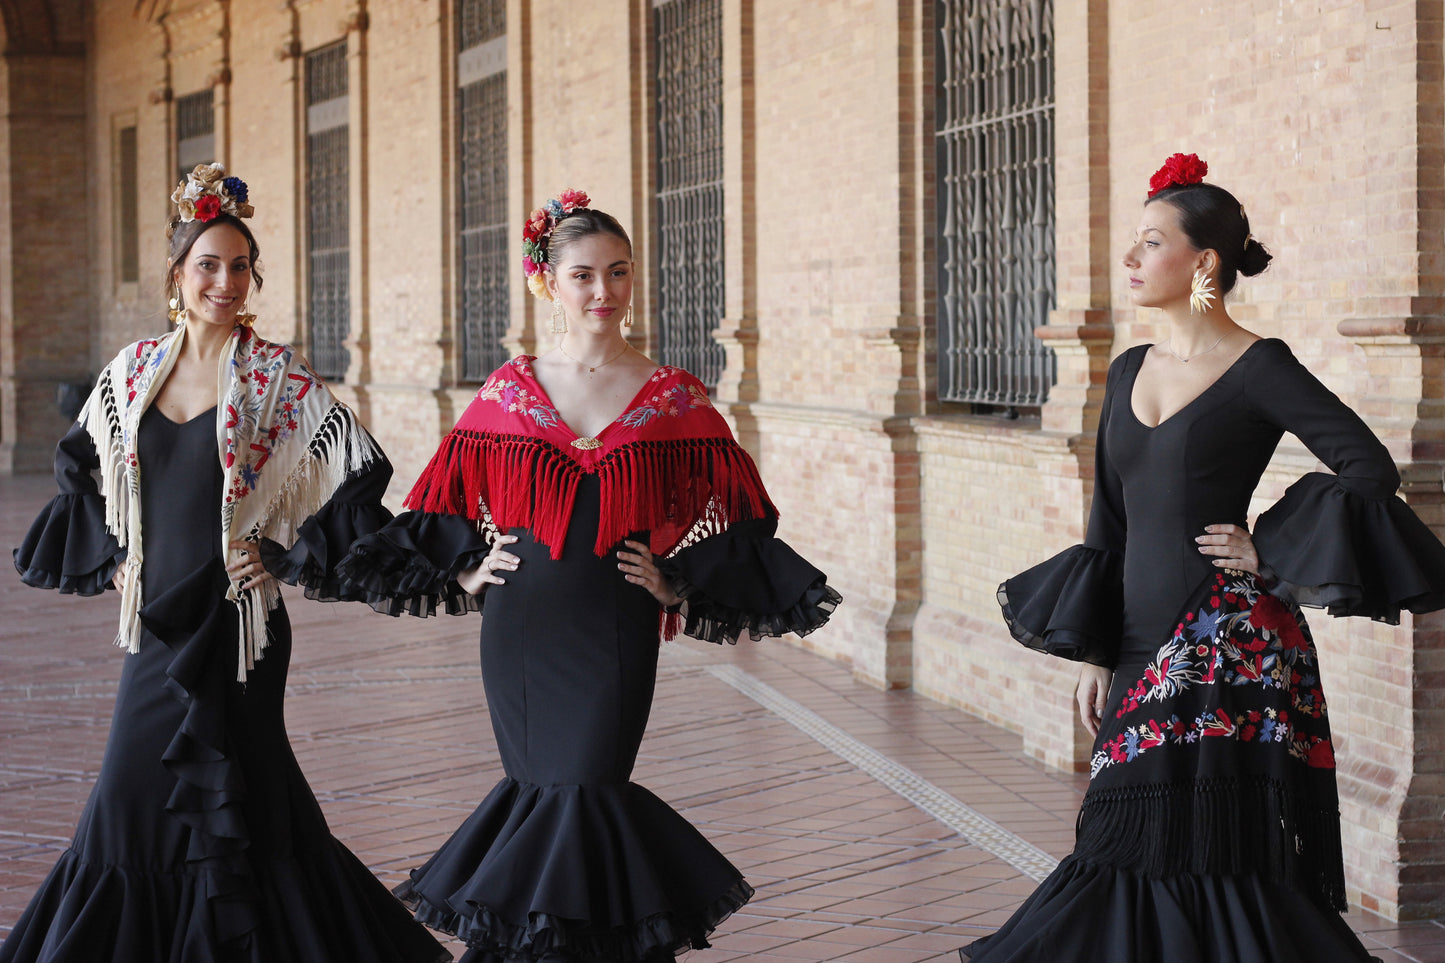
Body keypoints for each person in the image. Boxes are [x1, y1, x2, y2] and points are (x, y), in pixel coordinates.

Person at [337, 190, 841, 963]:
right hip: (522, 623)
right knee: (543, 793)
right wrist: (468, 569)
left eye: (617, 272)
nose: (602, 291)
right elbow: (443, 495)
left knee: (588, 786)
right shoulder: (509, 389)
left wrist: (678, 583)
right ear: (548, 282)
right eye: (583, 275)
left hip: (613, 624)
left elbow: (741, 513)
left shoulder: (673, 395)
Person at [965, 153, 1445, 962]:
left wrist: (1269, 548)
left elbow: (1369, 468)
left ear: (1202, 262)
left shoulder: (1260, 365)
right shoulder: (1125, 372)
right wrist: (1090, 648)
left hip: (1228, 637)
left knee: (1210, 843)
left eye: (1150, 242)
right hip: (1138, 634)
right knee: (1126, 827)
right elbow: (1106, 521)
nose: (1130, 259)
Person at [5, 165, 450, 963]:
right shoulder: (133, 371)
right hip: (154, 627)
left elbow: (358, 473)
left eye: (239, 266)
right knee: (128, 805)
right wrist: (112, 555)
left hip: (239, 630)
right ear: (178, 274)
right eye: (208, 263)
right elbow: (80, 459)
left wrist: (286, 556)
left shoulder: (276, 379)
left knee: (255, 812)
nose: (224, 280)